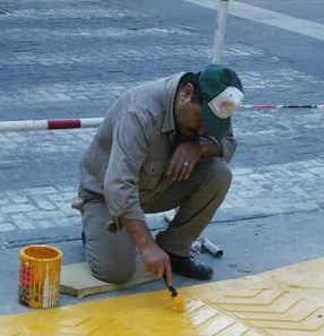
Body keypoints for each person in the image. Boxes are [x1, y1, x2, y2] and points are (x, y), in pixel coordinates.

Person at [77, 65, 244, 285]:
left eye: (209, 125)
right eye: (200, 121)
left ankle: (174, 249)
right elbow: (119, 185)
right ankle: (94, 230)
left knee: (219, 174)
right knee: (116, 273)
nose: (203, 130)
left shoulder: (214, 108)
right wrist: (146, 246)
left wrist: (198, 148)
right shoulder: (139, 112)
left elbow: (229, 143)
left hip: (157, 186)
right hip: (107, 195)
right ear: (186, 93)